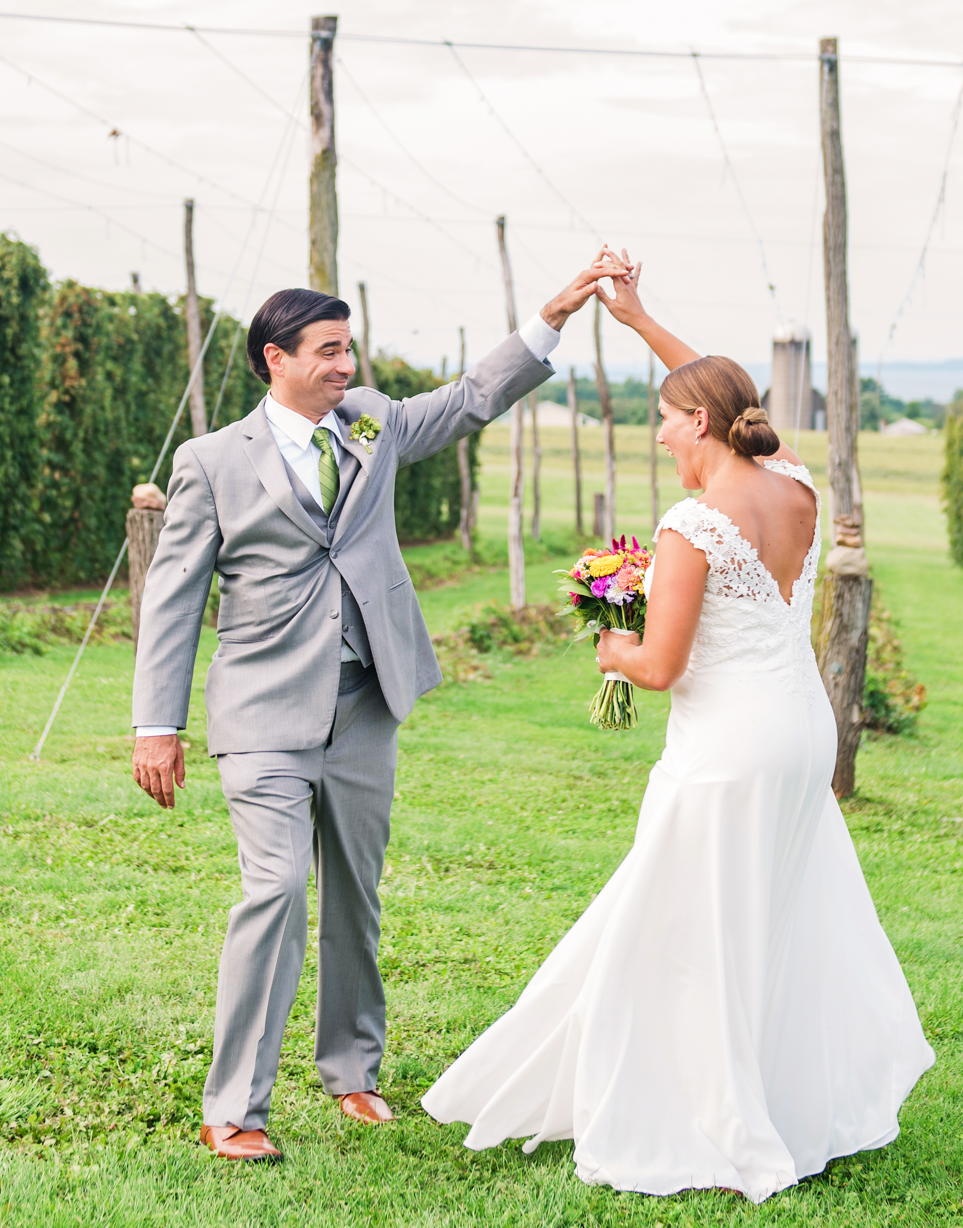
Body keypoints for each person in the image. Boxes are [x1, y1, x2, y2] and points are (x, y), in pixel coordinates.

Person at [423, 252, 934, 1201]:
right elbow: (727, 392)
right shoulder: (796, 486)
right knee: (765, 915)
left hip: (728, 748)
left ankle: (701, 1114)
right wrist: (643, 322)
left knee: (689, 928)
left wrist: (607, 641)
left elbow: (659, 668)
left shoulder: (690, 524)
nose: (657, 433)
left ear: (696, 423)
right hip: (800, 733)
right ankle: (780, 1095)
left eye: (664, 415)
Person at [131, 262, 615, 1162]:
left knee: (356, 892)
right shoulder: (209, 463)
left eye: (348, 348)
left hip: (366, 704)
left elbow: (471, 399)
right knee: (274, 890)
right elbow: (172, 598)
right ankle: (234, 1107)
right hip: (263, 710)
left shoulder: (370, 422)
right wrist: (154, 726)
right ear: (276, 359)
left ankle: (352, 1073)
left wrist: (549, 318)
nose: (344, 364)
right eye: (327, 351)